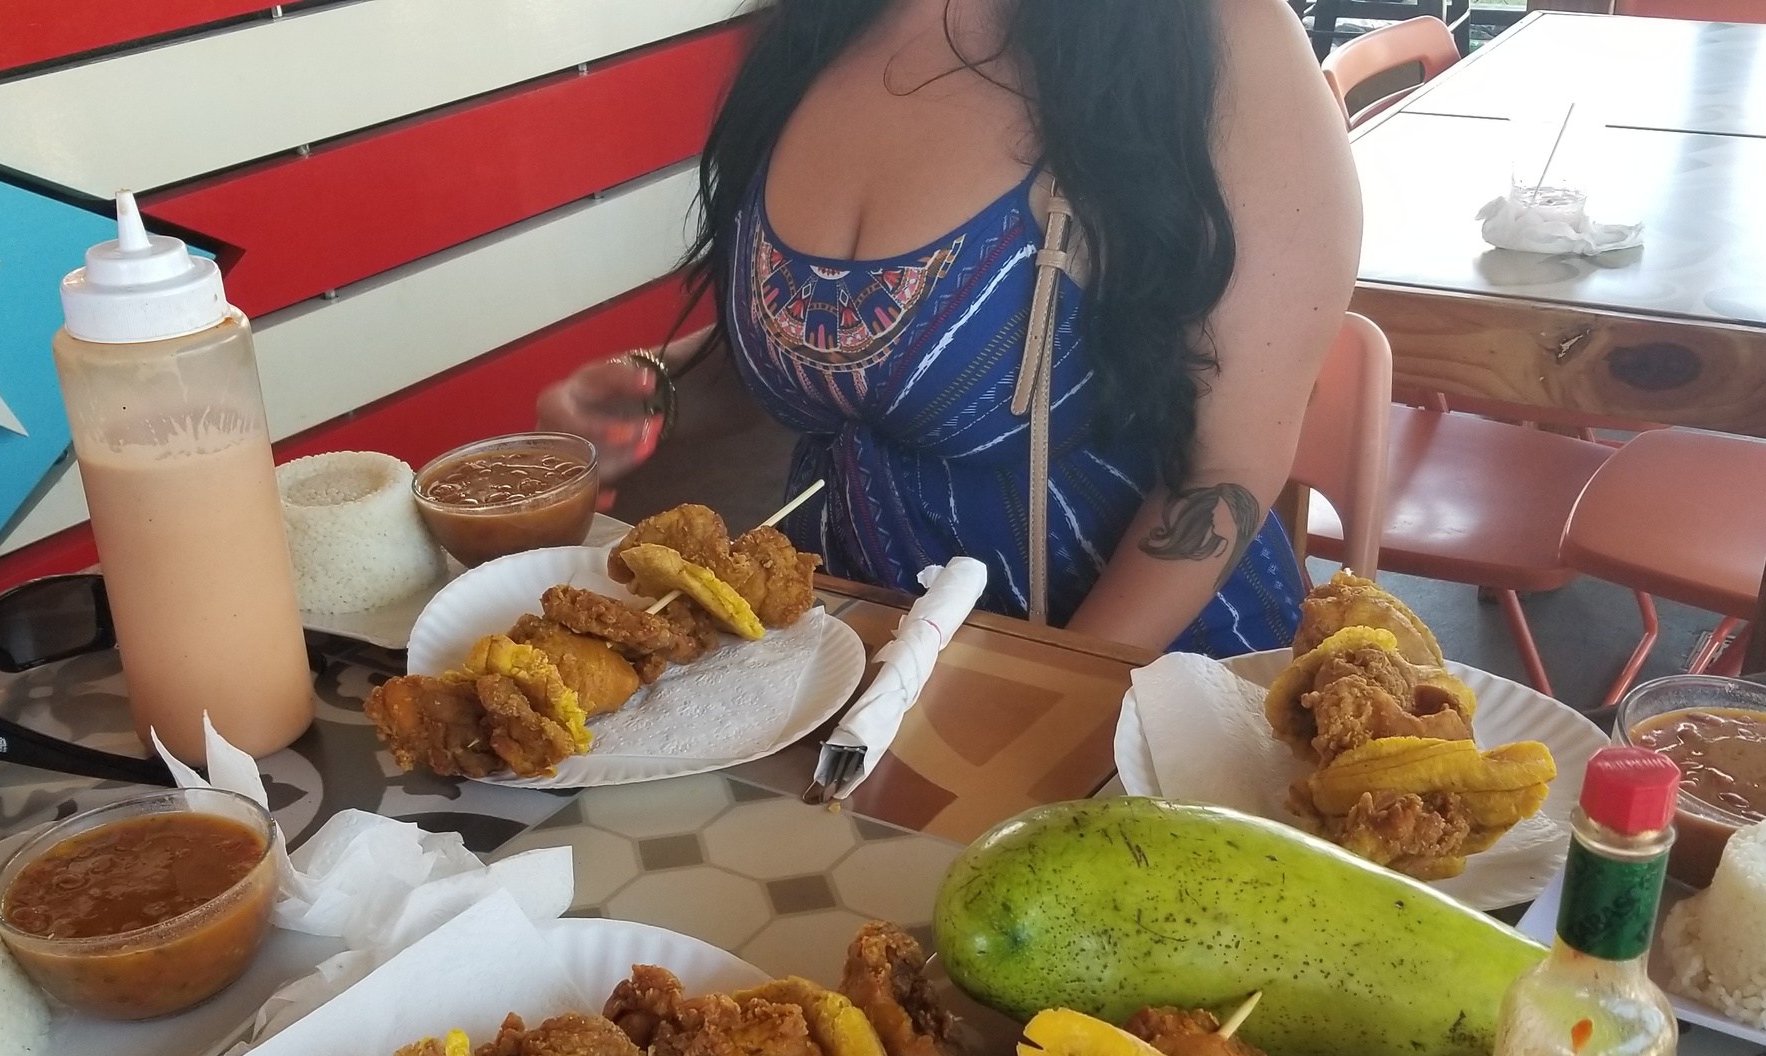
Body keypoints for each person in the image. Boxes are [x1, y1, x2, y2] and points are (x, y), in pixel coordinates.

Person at [536, 0, 1361, 655]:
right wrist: (659, 392)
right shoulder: (812, 31)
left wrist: (1042, 703)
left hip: (1144, 698)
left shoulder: (1221, 42)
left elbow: (1230, 466)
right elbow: (841, 367)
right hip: (852, 662)